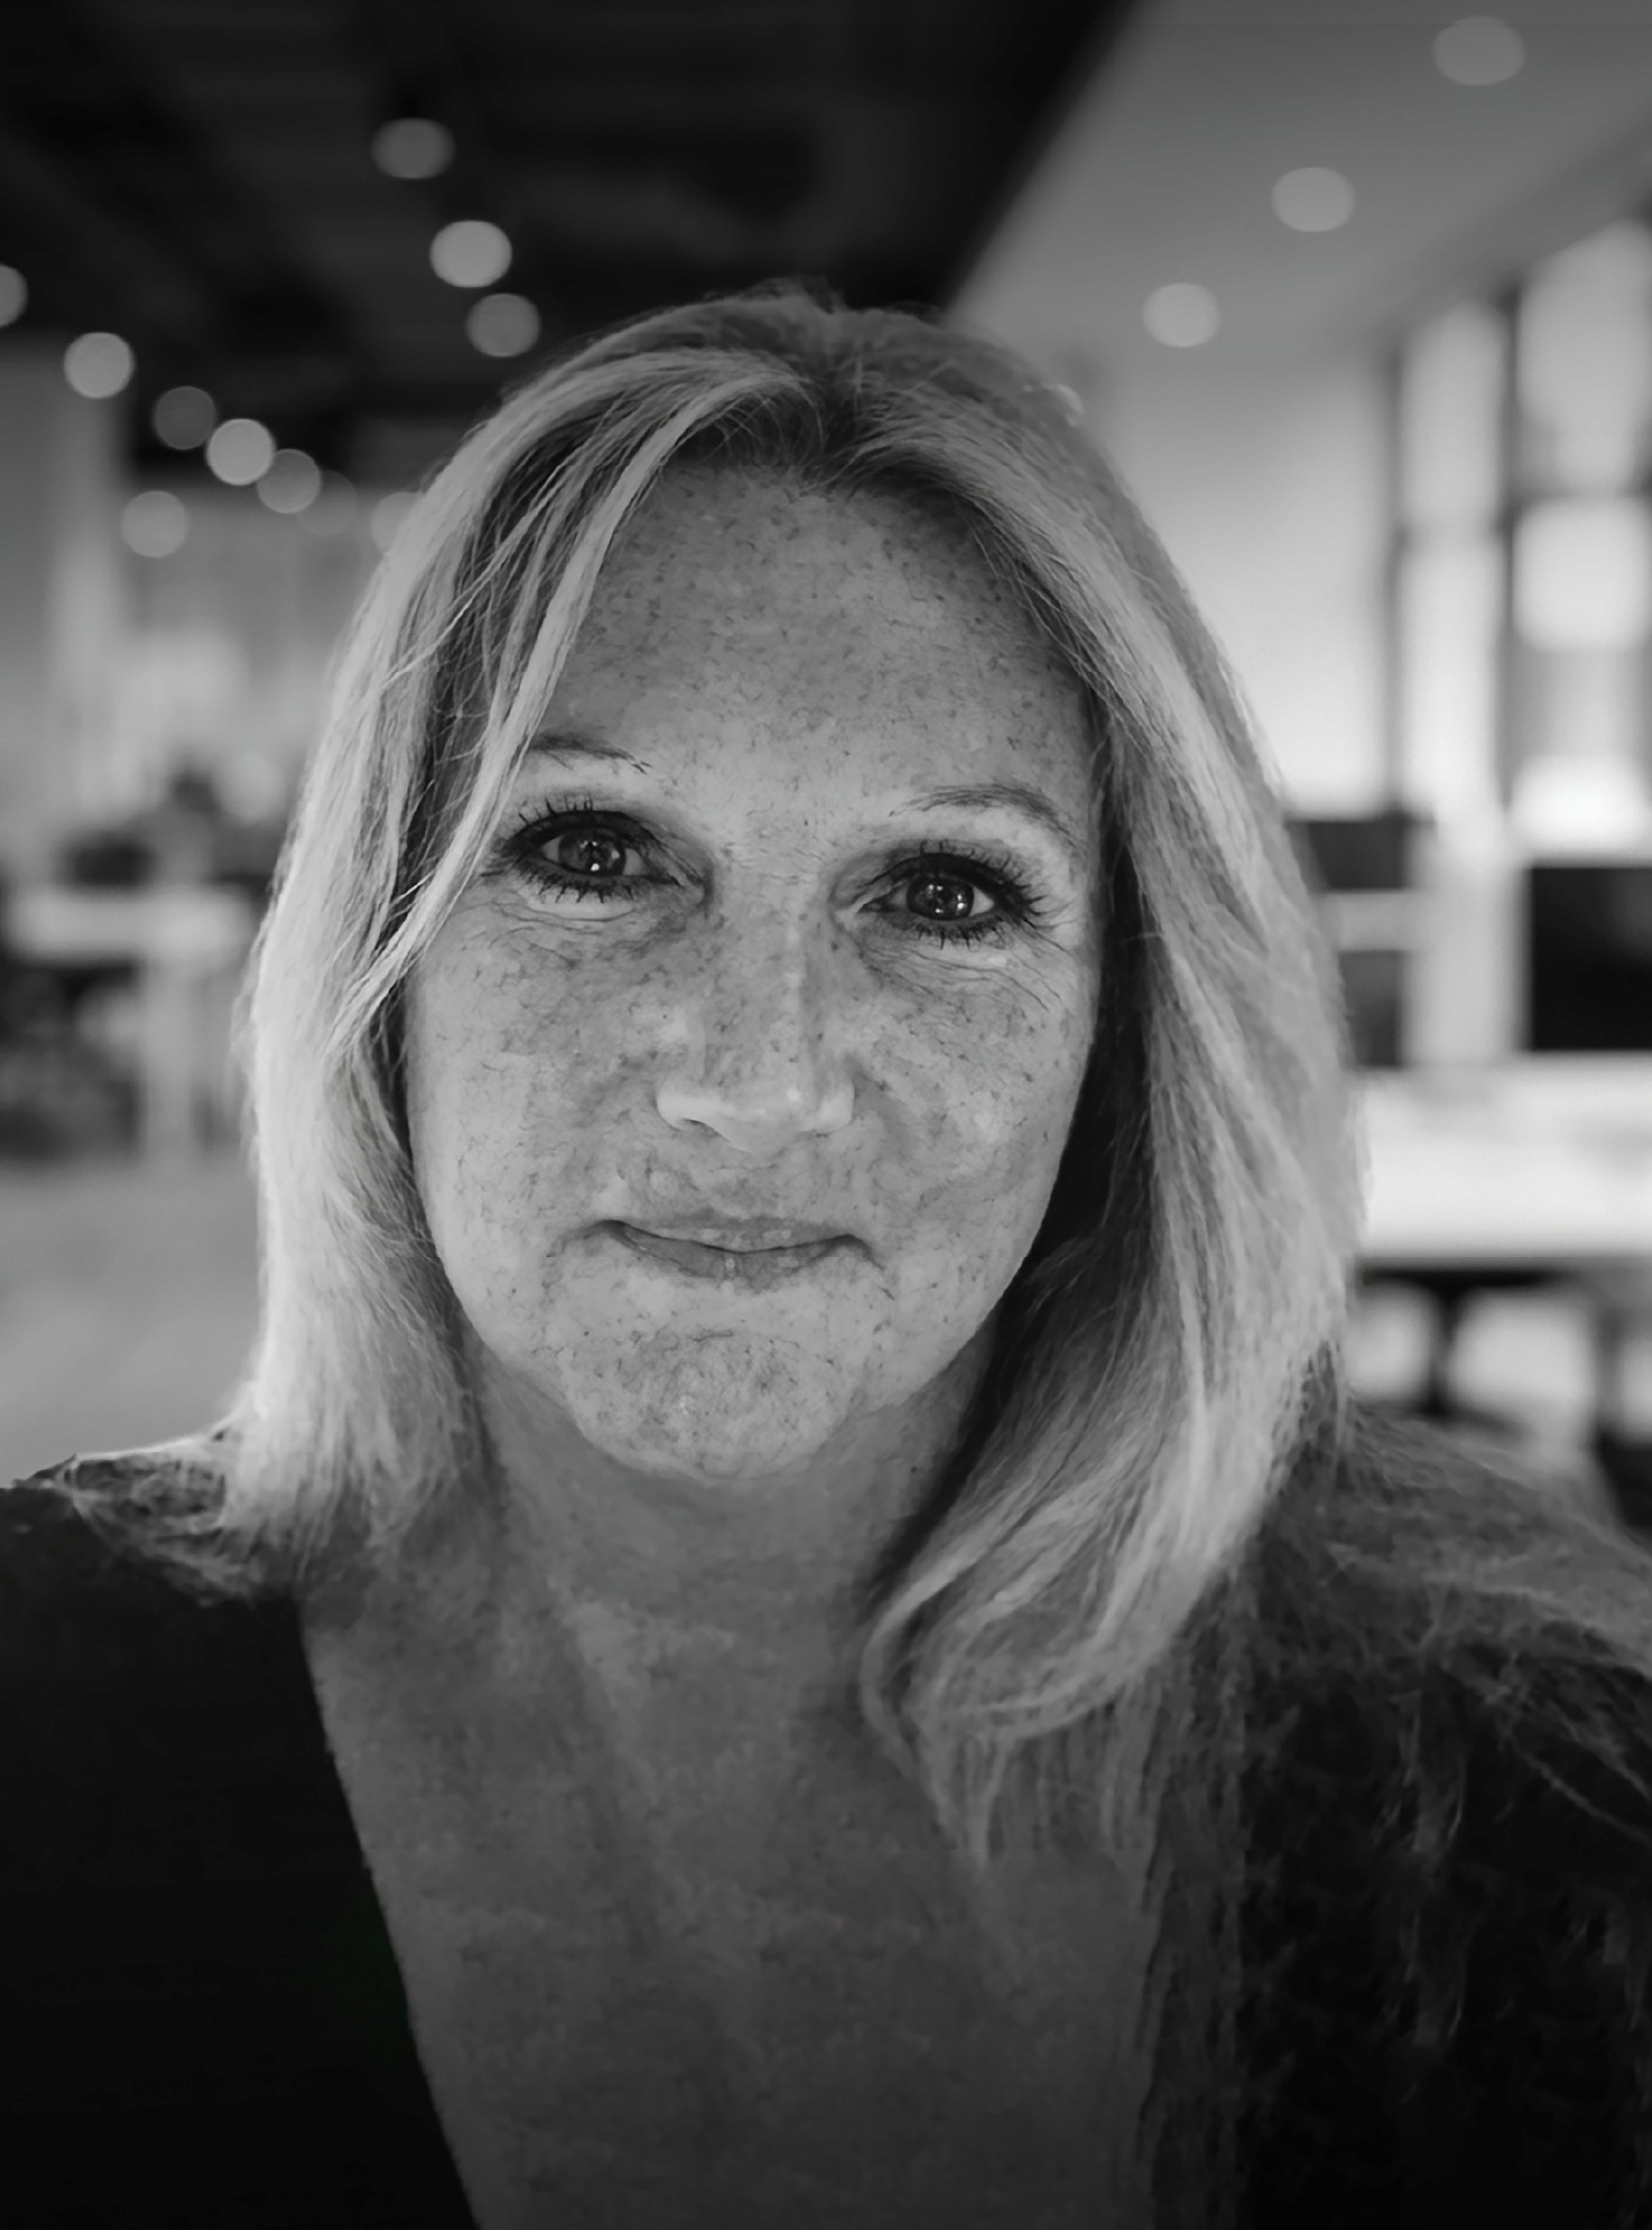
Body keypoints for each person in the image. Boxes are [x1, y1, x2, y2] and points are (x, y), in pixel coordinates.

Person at [6, 281, 1652, 2230]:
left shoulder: (1551, 1792)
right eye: (592, 852)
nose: (753, 1083)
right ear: (385, 963)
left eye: (943, 891)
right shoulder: (39, 1709)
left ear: (1125, 1028)